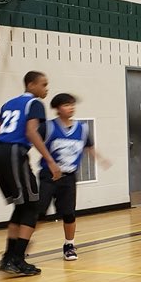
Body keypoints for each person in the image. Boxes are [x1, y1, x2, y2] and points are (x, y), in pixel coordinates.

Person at [0, 71, 60, 276]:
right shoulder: (35, 104)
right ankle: (18, 259)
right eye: (43, 84)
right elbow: (31, 132)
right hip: (14, 153)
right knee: (33, 206)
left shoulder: (8, 103)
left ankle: (8, 258)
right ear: (31, 85)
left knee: (22, 206)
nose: (46, 89)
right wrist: (50, 160)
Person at [37, 93, 111, 261]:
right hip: (48, 175)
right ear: (57, 109)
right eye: (66, 105)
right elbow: (34, 141)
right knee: (39, 213)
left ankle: (69, 245)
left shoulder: (82, 128)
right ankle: (22, 244)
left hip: (69, 176)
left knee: (69, 213)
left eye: (72, 104)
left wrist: (101, 159)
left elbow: (89, 148)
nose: (70, 107)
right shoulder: (48, 127)